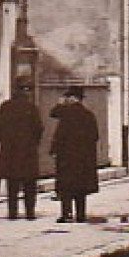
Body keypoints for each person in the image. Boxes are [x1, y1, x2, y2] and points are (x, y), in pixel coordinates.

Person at [0, 79, 44, 220]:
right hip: (27, 152)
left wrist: (5, 142)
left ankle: (13, 212)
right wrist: (32, 143)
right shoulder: (32, 108)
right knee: (29, 185)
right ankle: (30, 212)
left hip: (10, 152)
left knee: (12, 185)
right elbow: (39, 129)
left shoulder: (5, 107)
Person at [50, 87, 99, 223]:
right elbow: (95, 136)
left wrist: (60, 103)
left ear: (72, 98)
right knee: (80, 188)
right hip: (83, 158)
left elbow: (53, 113)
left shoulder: (66, 113)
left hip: (67, 157)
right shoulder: (88, 115)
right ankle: (81, 215)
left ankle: (66, 214)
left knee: (66, 187)